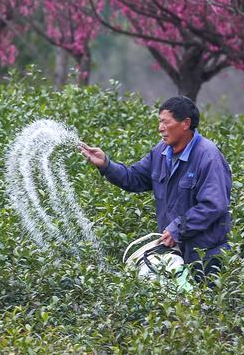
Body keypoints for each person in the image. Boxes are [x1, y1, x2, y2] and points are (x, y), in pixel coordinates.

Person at [80, 96, 232, 279]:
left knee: (204, 297)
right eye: (160, 122)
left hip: (205, 257)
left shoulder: (208, 156)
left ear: (185, 123)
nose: (160, 128)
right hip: (174, 253)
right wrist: (106, 165)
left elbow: (213, 205)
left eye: (165, 122)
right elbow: (133, 178)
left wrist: (178, 229)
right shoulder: (160, 153)